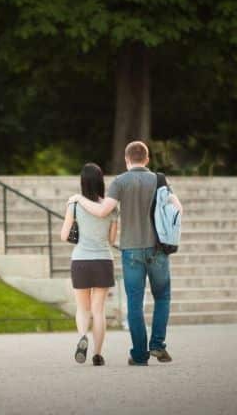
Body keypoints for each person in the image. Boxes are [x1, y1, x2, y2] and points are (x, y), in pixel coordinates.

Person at [69, 141, 181, 366]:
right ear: (147, 159)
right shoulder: (159, 180)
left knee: (134, 302)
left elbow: (102, 211)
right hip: (158, 249)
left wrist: (79, 199)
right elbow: (177, 208)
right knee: (162, 297)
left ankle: (139, 355)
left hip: (131, 251)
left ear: (127, 159)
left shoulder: (119, 182)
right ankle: (157, 345)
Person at [60, 162, 118, 366]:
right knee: (98, 310)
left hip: (81, 261)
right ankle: (98, 354)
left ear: (82, 182)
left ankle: (83, 336)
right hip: (103, 260)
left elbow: (64, 235)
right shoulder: (110, 207)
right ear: (101, 181)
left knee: (83, 309)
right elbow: (111, 240)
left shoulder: (74, 205)